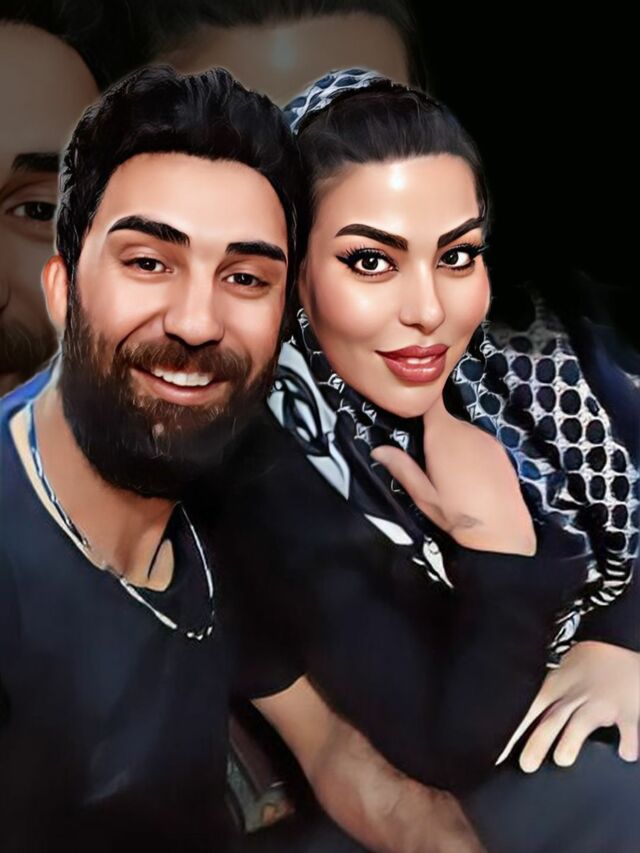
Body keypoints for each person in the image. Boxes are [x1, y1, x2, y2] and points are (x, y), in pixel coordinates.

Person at [0, 63, 491, 853]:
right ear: (63, 290)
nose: (197, 322)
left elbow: (332, 751)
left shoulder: (221, 482)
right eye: (149, 262)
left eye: (245, 277)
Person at [204, 69, 640, 851]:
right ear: (289, 268)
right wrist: (500, 546)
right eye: (371, 261)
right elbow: (441, 746)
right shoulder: (269, 472)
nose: (429, 310)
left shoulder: (532, 347)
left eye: (457, 255)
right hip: (498, 783)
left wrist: (619, 641)